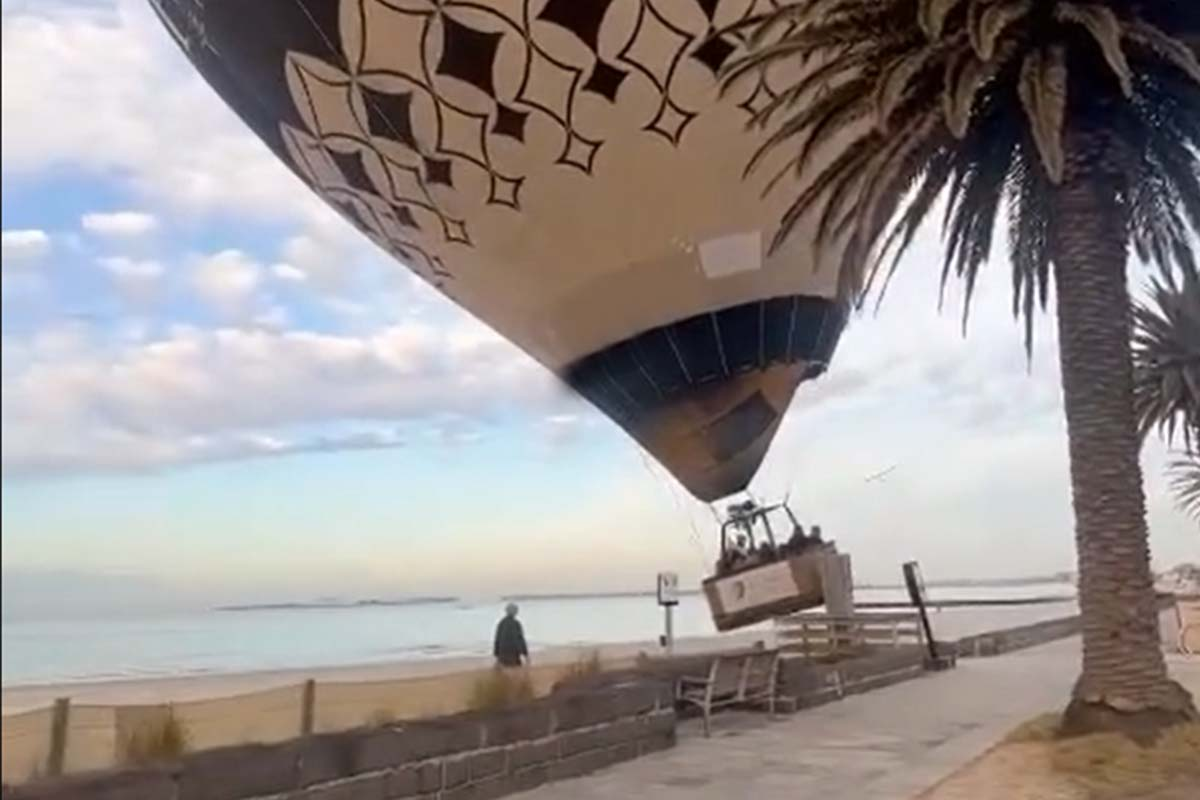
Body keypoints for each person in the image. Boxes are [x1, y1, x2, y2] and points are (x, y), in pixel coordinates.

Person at [493, 603, 529, 668]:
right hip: (513, 653)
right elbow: (520, 639)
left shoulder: (501, 622)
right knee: (515, 672)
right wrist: (525, 653)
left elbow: (497, 639)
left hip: (502, 653)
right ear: (515, 612)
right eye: (516, 610)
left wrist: (496, 653)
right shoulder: (516, 623)